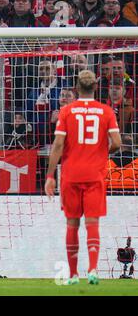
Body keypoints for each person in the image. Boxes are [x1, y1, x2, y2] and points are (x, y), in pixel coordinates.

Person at [45, 70, 122, 285]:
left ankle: (73, 275)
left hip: (70, 174)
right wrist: (101, 151)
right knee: (92, 223)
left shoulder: (67, 111)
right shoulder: (106, 111)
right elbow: (116, 143)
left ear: (77, 88)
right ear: (96, 87)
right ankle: (93, 270)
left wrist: (50, 175)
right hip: (94, 174)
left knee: (72, 224)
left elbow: (58, 145)